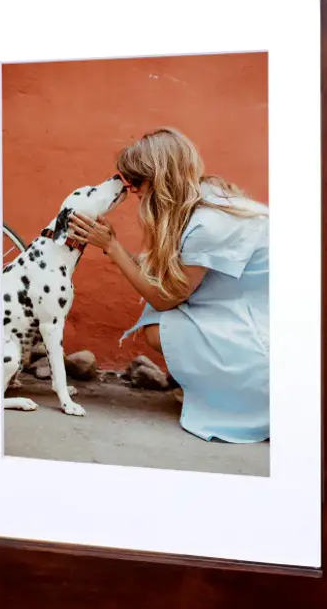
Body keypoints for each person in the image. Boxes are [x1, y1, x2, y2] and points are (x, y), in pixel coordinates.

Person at [68, 128, 270, 443]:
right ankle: (211, 387)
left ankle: (236, 396)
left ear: (161, 178)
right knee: (158, 319)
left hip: (265, 321)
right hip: (244, 303)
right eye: (128, 180)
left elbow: (165, 298)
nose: (131, 189)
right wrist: (112, 244)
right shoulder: (202, 197)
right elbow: (165, 280)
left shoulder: (208, 224)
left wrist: (112, 247)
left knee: (160, 324)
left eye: (137, 180)